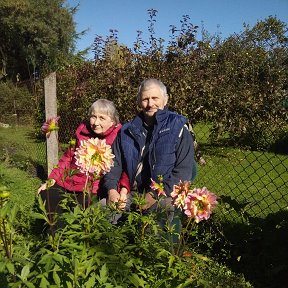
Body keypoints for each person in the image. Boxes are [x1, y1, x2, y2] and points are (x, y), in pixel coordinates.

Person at [103, 79, 196, 226]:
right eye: (145, 99)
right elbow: (114, 163)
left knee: (156, 221)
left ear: (165, 100)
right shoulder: (127, 130)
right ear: (139, 102)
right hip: (130, 193)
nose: (150, 103)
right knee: (99, 215)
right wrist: (112, 190)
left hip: (164, 194)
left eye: (155, 98)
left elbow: (183, 173)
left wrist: (154, 195)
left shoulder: (179, 128)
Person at [37, 99, 130, 226]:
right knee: (48, 195)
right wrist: (52, 179)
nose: (96, 122)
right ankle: (53, 236)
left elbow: (123, 166)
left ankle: (64, 237)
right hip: (68, 181)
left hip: (92, 187)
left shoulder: (119, 137)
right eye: (93, 117)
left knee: (77, 211)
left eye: (102, 118)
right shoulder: (82, 132)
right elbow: (67, 158)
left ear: (113, 121)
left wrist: (119, 190)